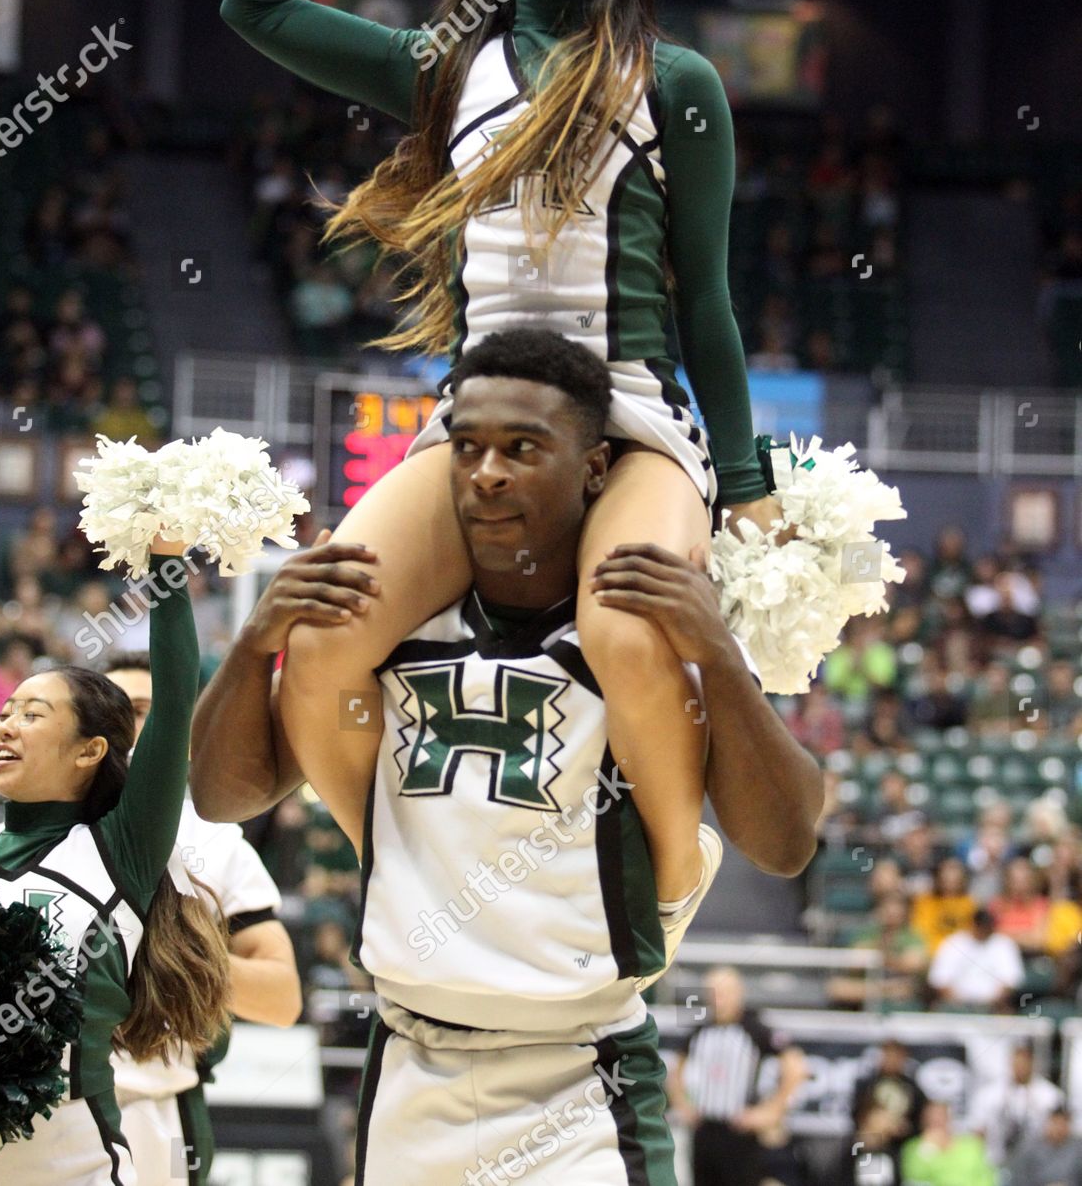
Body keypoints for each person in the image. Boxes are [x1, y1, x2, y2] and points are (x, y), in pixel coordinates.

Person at [219, 0, 788, 915]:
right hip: (475, 417)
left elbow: (709, 296)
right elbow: (256, 6)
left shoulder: (674, 81)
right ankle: (400, 871)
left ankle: (666, 875)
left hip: (626, 411)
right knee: (322, 645)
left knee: (627, 635)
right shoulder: (445, 68)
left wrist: (749, 478)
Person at [192, 330, 823, 1183]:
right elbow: (224, 796)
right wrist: (250, 646)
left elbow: (786, 844)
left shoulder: (647, 626)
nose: (487, 472)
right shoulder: (381, 628)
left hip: (580, 1069)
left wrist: (717, 653)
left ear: (596, 468)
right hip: (410, 1054)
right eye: (468, 448)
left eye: (523, 449)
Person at [0, 538, 228, 1185]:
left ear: (91, 750)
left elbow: (176, 700)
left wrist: (166, 563)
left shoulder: (116, 849)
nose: (5, 727)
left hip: (72, 1166)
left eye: (32, 714)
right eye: (5, 712)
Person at [104, 651, 302, 1186]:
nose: (126, 723)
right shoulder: (38, 834)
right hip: (40, 1099)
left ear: (181, 735)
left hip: (155, 1104)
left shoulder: (218, 843)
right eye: (110, 709)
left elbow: (283, 999)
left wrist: (165, 955)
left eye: (144, 709)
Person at [667, 967, 807, 1186]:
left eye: (723, 993)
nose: (717, 1000)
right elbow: (675, 1069)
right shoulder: (700, 1030)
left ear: (738, 993)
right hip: (705, 1129)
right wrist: (682, 1104)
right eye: (712, 993)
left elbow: (795, 1065)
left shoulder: (754, 1028)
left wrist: (773, 1110)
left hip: (740, 1131)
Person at [968, 1040, 1064, 1170]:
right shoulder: (989, 1094)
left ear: (1033, 1063)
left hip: (1036, 1165)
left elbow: (1059, 1133)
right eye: (1017, 1061)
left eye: (1025, 1061)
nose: (1020, 1067)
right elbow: (977, 1130)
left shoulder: (1050, 1096)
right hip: (996, 1161)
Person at [848, 1037, 927, 1182]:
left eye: (895, 1056)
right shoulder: (867, 1085)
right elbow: (855, 1114)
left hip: (900, 1148)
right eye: (887, 1055)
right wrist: (872, 1127)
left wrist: (902, 1129)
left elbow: (921, 1121)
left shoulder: (913, 1089)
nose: (891, 1060)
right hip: (868, 1144)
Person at [927, 906, 1023, 1012]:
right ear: (972, 924)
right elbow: (940, 980)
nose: (983, 930)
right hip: (956, 1005)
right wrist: (959, 1005)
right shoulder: (954, 942)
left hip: (993, 1006)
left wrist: (990, 1004)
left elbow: (1011, 981)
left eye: (987, 926)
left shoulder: (1004, 944)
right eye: (980, 926)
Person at [900, 1100, 997, 1186]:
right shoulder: (914, 1148)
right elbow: (914, 1177)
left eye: (940, 1118)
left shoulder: (970, 1145)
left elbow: (986, 1177)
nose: (937, 1122)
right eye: (932, 1119)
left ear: (948, 1119)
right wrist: (928, 1148)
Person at [1009, 1108, 1082, 1186]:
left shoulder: (1078, 1149)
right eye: (1055, 1123)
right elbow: (1019, 1178)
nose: (1059, 1129)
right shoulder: (1029, 1148)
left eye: (1063, 1124)